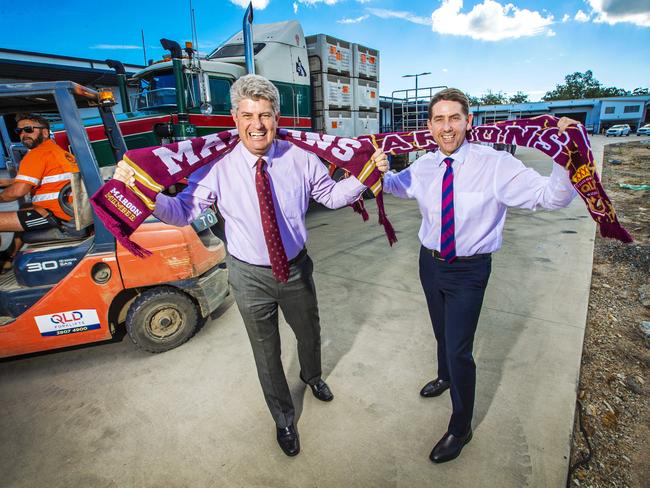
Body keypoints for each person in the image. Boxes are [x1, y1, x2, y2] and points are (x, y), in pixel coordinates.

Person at [113, 74, 386, 457]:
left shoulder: (301, 158)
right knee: (266, 350)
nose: (257, 125)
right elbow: (182, 211)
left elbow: (332, 195)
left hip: (295, 269)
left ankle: (312, 376)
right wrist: (142, 195)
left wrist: (368, 174)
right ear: (234, 118)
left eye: (265, 115)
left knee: (308, 333)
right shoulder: (214, 166)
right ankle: (284, 420)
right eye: (247, 115)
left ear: (277, 117)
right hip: (248, 275)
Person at [375, 88, 578, 464]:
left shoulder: (495, 164)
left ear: (469, 122)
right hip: (429, 263)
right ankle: (444, 376)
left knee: (458, 347)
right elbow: (398, 186)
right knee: (440, 332)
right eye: (439, 119)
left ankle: (460, 426)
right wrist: (381, 173)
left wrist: (564, 158)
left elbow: (553, 198)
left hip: (469, 270)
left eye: (455, 118)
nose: (447, 127)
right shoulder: (425, 165)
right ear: (430, 126)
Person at [0, 114, 76, 232]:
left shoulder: (37, 154)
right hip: (70, 208)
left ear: (45, 133)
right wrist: (7, 182)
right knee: (24, 208)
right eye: (19, 131)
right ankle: (12, 251)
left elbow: (17, 191)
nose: (23, 135)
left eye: (28, 129)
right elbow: (43, 178)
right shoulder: (60, 152)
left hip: (55, 215)